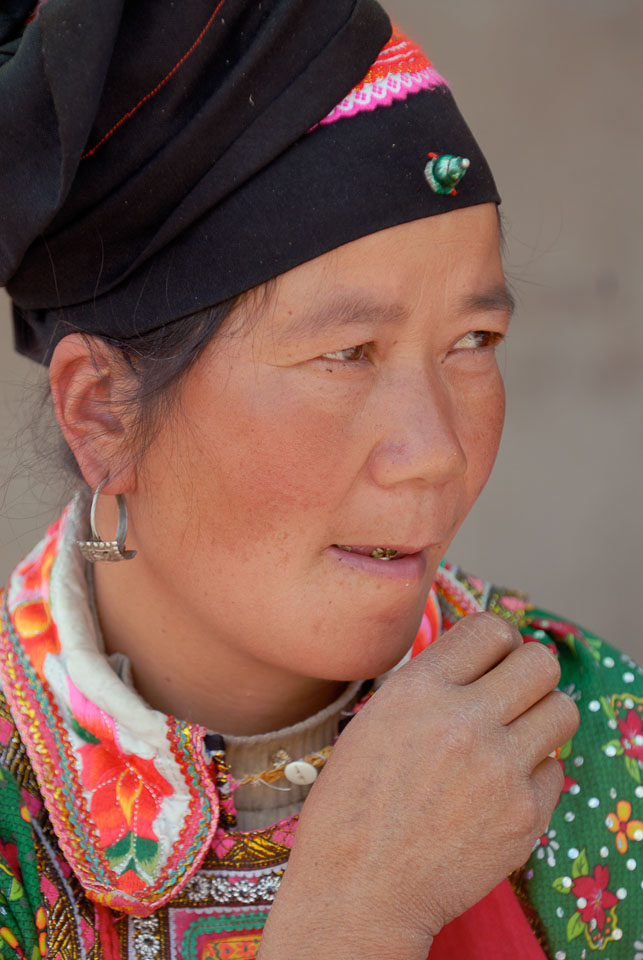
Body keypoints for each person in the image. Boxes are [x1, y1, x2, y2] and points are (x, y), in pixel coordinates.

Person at [0, 1, 641, 958]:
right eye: (346, 353)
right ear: (101, 411)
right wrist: (353, 921)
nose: (435, 450)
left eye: (474, 340)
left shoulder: (598, 742)